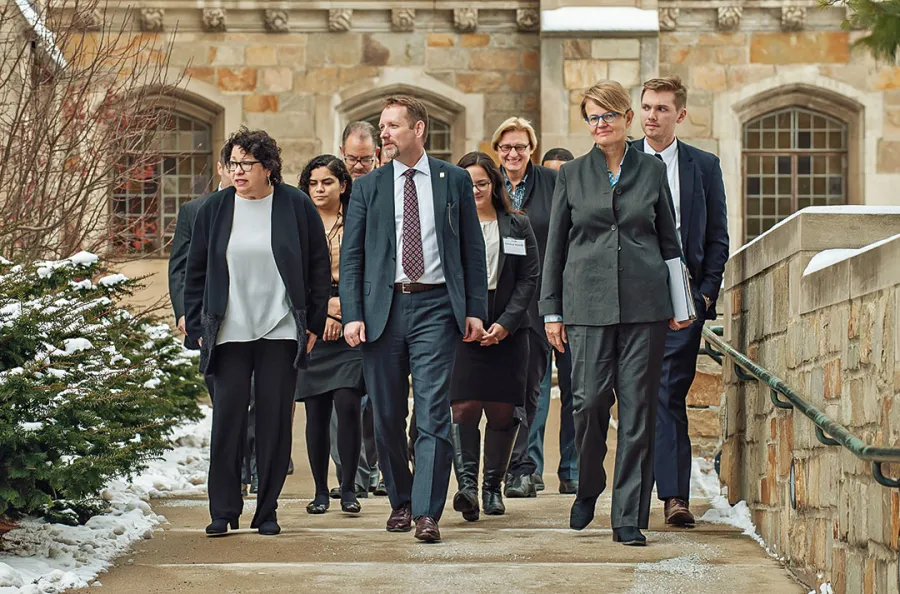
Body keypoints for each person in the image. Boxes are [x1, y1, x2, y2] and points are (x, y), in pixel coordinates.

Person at [539, 80, 690, 546]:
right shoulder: (572, 174)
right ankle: (588, 486)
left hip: (646, 307)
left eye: (608, 116)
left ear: (627, 119)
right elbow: (556, 248)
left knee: (639, 411)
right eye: (592, 117)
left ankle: (629, 516)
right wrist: (551, 312)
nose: (600, 125)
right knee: (586, 404)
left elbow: (669, 242)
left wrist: (680, 304)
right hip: (585, 305)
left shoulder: (650, 171)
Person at [340, 95, 487, 543]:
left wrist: (476, 309)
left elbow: (471, 250)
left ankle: (426, 511)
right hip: (383, 310)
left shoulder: (454, 179)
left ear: (418, 129)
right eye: (381, 127)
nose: (383, 134)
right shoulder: (368, 186)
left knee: (432, 413)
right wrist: (352, 314)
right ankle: (400, 501)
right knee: (385, 414)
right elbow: (353, 258)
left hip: (437, 308)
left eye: (392, 126)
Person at [184, 127, 331, 537]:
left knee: (273, 424)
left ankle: (266, 511)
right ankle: (223, 509)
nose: (239, 171)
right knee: (227, 421)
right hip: (229, 331)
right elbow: (195, 271)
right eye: (233, 163)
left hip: (279, 330)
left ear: (268, 167)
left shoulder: (295, 205)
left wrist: (314, 323)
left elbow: (318, 267)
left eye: (247, 163)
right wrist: (197, 325)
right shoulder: (214, 208)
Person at [636, 75, 729, 528]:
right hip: (627, 301)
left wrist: (705, 294)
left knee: (668, 392)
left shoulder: (703, 166)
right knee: (631, 395)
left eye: (661, 109)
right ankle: (626, 495)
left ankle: (674, 497)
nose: (651, 116)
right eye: (647, 107)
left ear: (680, 114)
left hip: (682, 300)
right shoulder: (619, 160)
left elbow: (717, 237)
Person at [450, 152, 539, 521]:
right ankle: (467, 486)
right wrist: (463, 318)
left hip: (509, 327)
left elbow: (529, 277)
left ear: (495, 185)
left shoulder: (516, 224)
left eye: (482, 184)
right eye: (468, 185)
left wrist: (506, 324)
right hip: (462, 326)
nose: (475, 191)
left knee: (503, 410)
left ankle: (492, 486)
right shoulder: (449, 224)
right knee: (465, 406)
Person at [168, 157, 258, 497]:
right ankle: (235, 468)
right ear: (221, 167)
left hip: (256, 317)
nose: (239, 171)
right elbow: (180, 267)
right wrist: (185, 312)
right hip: (211, 321)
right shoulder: (196, 210)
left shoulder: (265, 206)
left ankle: (256, 469)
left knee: (258, 396)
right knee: (225, 398)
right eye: (232, 164)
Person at [490, 117, 557, 499]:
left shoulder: (552, 183)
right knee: (497, 391)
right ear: (497, 150)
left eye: (520, 147)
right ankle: (498, 468)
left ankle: (522, 468)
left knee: (530, 390)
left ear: (531, 148)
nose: (513, 154)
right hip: (495, 302)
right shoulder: (488, 184)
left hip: (536, 301)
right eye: (505, 148)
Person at [296, 154, 367, 515]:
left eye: (327, 182)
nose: (319, 189)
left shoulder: (357, 218)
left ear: (343, 185)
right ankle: (321, 491)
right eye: (313, 183)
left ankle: (350, 487)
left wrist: (345, 309)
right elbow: (293, 275)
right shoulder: (299, 220)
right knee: (317, 411)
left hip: (352, 322)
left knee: (348, 404)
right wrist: (323, 310)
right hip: (313, 325)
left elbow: (368, 269)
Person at [329, 121, 384, 500]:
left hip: (381, 306)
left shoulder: (387, 192)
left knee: (378, 399)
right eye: (352, 158)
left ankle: (376, 468)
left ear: (378, 155)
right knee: (343, 399)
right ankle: (349, 476)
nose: (359, 165)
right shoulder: (334, 193)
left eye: (366, 159)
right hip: (338, 310)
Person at [526, 147, 578, 496]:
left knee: (576, 393)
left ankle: (571, 470)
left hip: (575, 307)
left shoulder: (580, 208)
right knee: (535, 393)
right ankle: (530, 469)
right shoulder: (534, 209)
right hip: (534, 308)